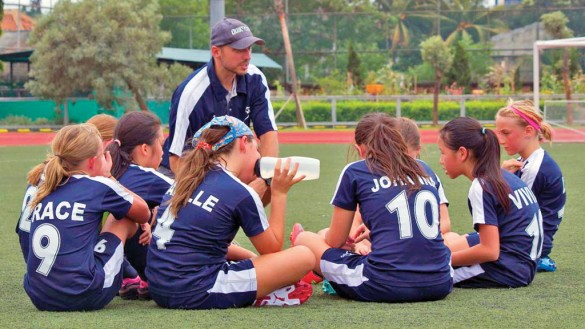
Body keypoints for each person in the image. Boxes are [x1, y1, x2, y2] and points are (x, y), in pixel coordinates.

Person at [146, 116, 314, 309]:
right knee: (304, 256)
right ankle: (262, 294)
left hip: (159, 288)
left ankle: (259, 286)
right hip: (196, 290)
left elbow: (204, 243)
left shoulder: (185, 180)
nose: (259, 157)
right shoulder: (240, 192)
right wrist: (279, 193)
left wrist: (257, 262)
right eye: (257, 149)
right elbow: (272, 248)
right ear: (244, 143)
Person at [293, 113, 453, 303]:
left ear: (360, 148)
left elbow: (335, 241)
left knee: (306, 238)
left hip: (384, 284)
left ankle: (318, 270)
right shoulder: (425, 168)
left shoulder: (356, 170)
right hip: (441, 281)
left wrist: (338, 240)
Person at [22, 124, 151, 311]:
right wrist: (108, 176)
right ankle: (148, 280)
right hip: (83, 294)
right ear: (92, 161)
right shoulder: (98, 185)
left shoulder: (45, 187)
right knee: (124, 218)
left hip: (39, 296)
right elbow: (143, 212)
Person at [160, 17, 278, 180]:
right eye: (239, 49)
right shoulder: (191, 93)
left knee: (271, 178)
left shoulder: (255, 78)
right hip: (184, 175)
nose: (247, 56)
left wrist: (264, 178)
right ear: (216, 52)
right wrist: (213, 192)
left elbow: (268, 135)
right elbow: (176, 160)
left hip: (229, 167)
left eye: (249, 48)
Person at [440, 117, 543, 288]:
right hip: (520, 259)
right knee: (449, 241)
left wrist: (442, 260)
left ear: (462, 153)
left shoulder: (481, 185)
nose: (441, 160)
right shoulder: (503, 176)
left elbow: (489, 251)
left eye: (443, 152)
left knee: (432, 275)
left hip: (508, 268)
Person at [16, 114, 120, 261]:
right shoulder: (82, 183)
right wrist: (109, 177)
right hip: (65, 269)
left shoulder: (48, 170)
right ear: (108, 143)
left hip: (35, 262)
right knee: (122, 217)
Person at [106, 111, 174, 300]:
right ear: (145, 149)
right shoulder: (147, 178)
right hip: (101, 269)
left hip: (81, 262)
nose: (163, 152)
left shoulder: (109, 170)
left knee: (138, 215)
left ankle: (128, 274)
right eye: (161, 144)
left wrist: (150, 215)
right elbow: (196, 197)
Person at [495, 100, 566, 272]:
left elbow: (515, 213)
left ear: (528, 131)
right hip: (528, 237)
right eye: (498, 133)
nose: (500, 139)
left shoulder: (535, 168)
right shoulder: (524, 162)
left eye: (506, 133)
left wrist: (499, 178)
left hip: (530, 244)